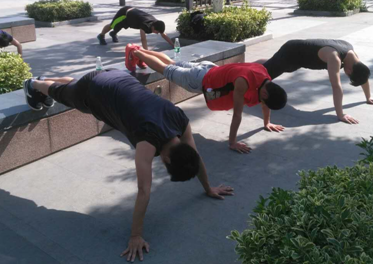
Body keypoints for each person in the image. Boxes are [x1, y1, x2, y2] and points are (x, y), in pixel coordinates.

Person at [23, 69, 233, 261]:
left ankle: (45, 79)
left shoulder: (180, 119)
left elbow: (195, 157)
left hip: (117, 77)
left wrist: (208, 188)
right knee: (64, 95)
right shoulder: (148, 140)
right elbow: (143, 191)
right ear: (167, 160)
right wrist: (135, 235)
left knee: (74, 88)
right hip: (96, 89)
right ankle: (34, 84)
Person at [128, 46, 288, 154]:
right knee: (166, 69)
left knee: (172, 63)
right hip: (199, 80)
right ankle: (135, 53)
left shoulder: (265, 77)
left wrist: (266, 123)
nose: (261, 103)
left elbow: (265, 102)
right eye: (263, 100)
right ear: (265, 94)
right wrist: (232, 143)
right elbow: (237, 115)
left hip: (208, 68)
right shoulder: (243, 83)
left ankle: (141, 50)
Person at [260, 39, 373, 124]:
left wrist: (369, 97)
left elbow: (362, 74)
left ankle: (263, 63)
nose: (346, 74)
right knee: (263, 76)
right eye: (349, 75)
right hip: (290, 53)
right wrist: (341, 115)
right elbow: (336, 86)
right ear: (350, 70)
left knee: (274, 66)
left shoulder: (352, 56)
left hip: (297, 56)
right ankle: (254, 67)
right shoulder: (334, 58)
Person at [97, 6, 174, 49]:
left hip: (132, 18)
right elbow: (143, 39)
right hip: (124, 14)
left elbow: (163, 34)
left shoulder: (156, 23)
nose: (157, 33)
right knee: (113, 25)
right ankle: (101, 35)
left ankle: (113, 33)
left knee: (120, 26)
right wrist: (146, 52)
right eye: (157, 32)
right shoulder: (145, 25)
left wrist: (174, 45)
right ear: (153, 27)